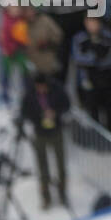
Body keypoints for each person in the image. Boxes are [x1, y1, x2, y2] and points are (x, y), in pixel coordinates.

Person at [20, 72, 70, 209]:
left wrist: (55, 112)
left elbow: (66, 104)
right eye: (38, 87)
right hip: (40, 132)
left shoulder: (57, 89)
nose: (41, 89)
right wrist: (39, 116)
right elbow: (25, 112)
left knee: (61, 164)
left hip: (56, 131)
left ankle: (62, 193)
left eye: (43, 87)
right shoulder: (30, 94)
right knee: (42, 166)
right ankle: (45, 196)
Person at [72, 15, 111, 132]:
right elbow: (78, 58)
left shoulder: (108, 37)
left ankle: (110, 134)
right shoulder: (79, 38)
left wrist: (96, 61)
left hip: (106, 79)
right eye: (89, 22)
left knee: (108, 109)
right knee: (92, 108)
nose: (92, 25)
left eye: (95, 22)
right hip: (88, 79)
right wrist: (94, 58)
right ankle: (96, 136)